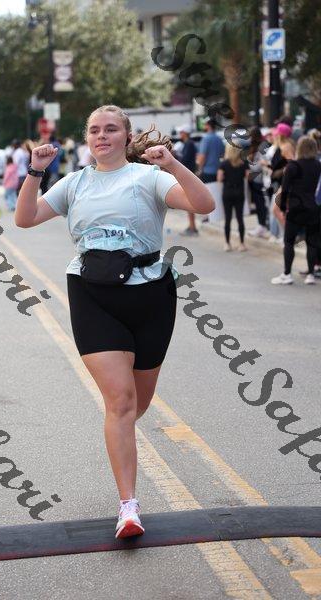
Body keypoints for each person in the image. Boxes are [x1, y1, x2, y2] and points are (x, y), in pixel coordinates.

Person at [15, 104, 215, 539]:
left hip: (150, 296)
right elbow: (25, 219)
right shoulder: (75, 183)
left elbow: (204, 204)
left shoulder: (149, 177)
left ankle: (118, 432)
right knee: (121, 401)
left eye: (110, 129)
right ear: (86, 138)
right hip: (92, 293)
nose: (101, 136)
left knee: (135, 404)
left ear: (126, 136)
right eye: (94, 130)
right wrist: (35, 172)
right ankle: (129, 507)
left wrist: (173, 164)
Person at [271, 136, 321, 285]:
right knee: (312, 242)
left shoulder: (293, 166)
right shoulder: (318, 165)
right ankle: (311, 275)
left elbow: (285, 190)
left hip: (295, 208)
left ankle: (287, 274)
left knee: (289, 242)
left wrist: (283, 208)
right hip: (313, 208)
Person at [217, 145, 249, 251]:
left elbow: (219, 178)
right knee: (240, 218)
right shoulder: (243, 163)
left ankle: (227, 243)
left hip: (227, 192)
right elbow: (248, 176)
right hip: (239, 192)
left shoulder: (224, 164)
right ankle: (242, 243)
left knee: (228, 218)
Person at [176, 125, 199, 236]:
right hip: (189, 175)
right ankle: (191, 226)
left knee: (190, 201)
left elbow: (185, 160)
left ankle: (193, 227)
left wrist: (175, 157)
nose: (180, 134)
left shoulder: (189, 144)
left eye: (181, 132)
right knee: (189, 201)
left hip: (188, 176)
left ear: (185, 133)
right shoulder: (188, 144)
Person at [246, 127, 268, 235]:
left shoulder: (262, 147)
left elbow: (258, 167)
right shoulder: (254, 147)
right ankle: (261, 224)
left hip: (260, 181)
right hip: (255, 180)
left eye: (250, 136)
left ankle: (262, 225)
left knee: (261, 204)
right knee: (258, 204)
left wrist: (249, 163)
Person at [196, 118, 225, 183]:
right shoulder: (219, 139)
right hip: (217, 171)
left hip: (207, 172)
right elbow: (222, 155)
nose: (204, 126)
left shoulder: (206, 139)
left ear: (208, 126)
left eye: (205, 124)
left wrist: (199, 169)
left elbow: (202, 156)